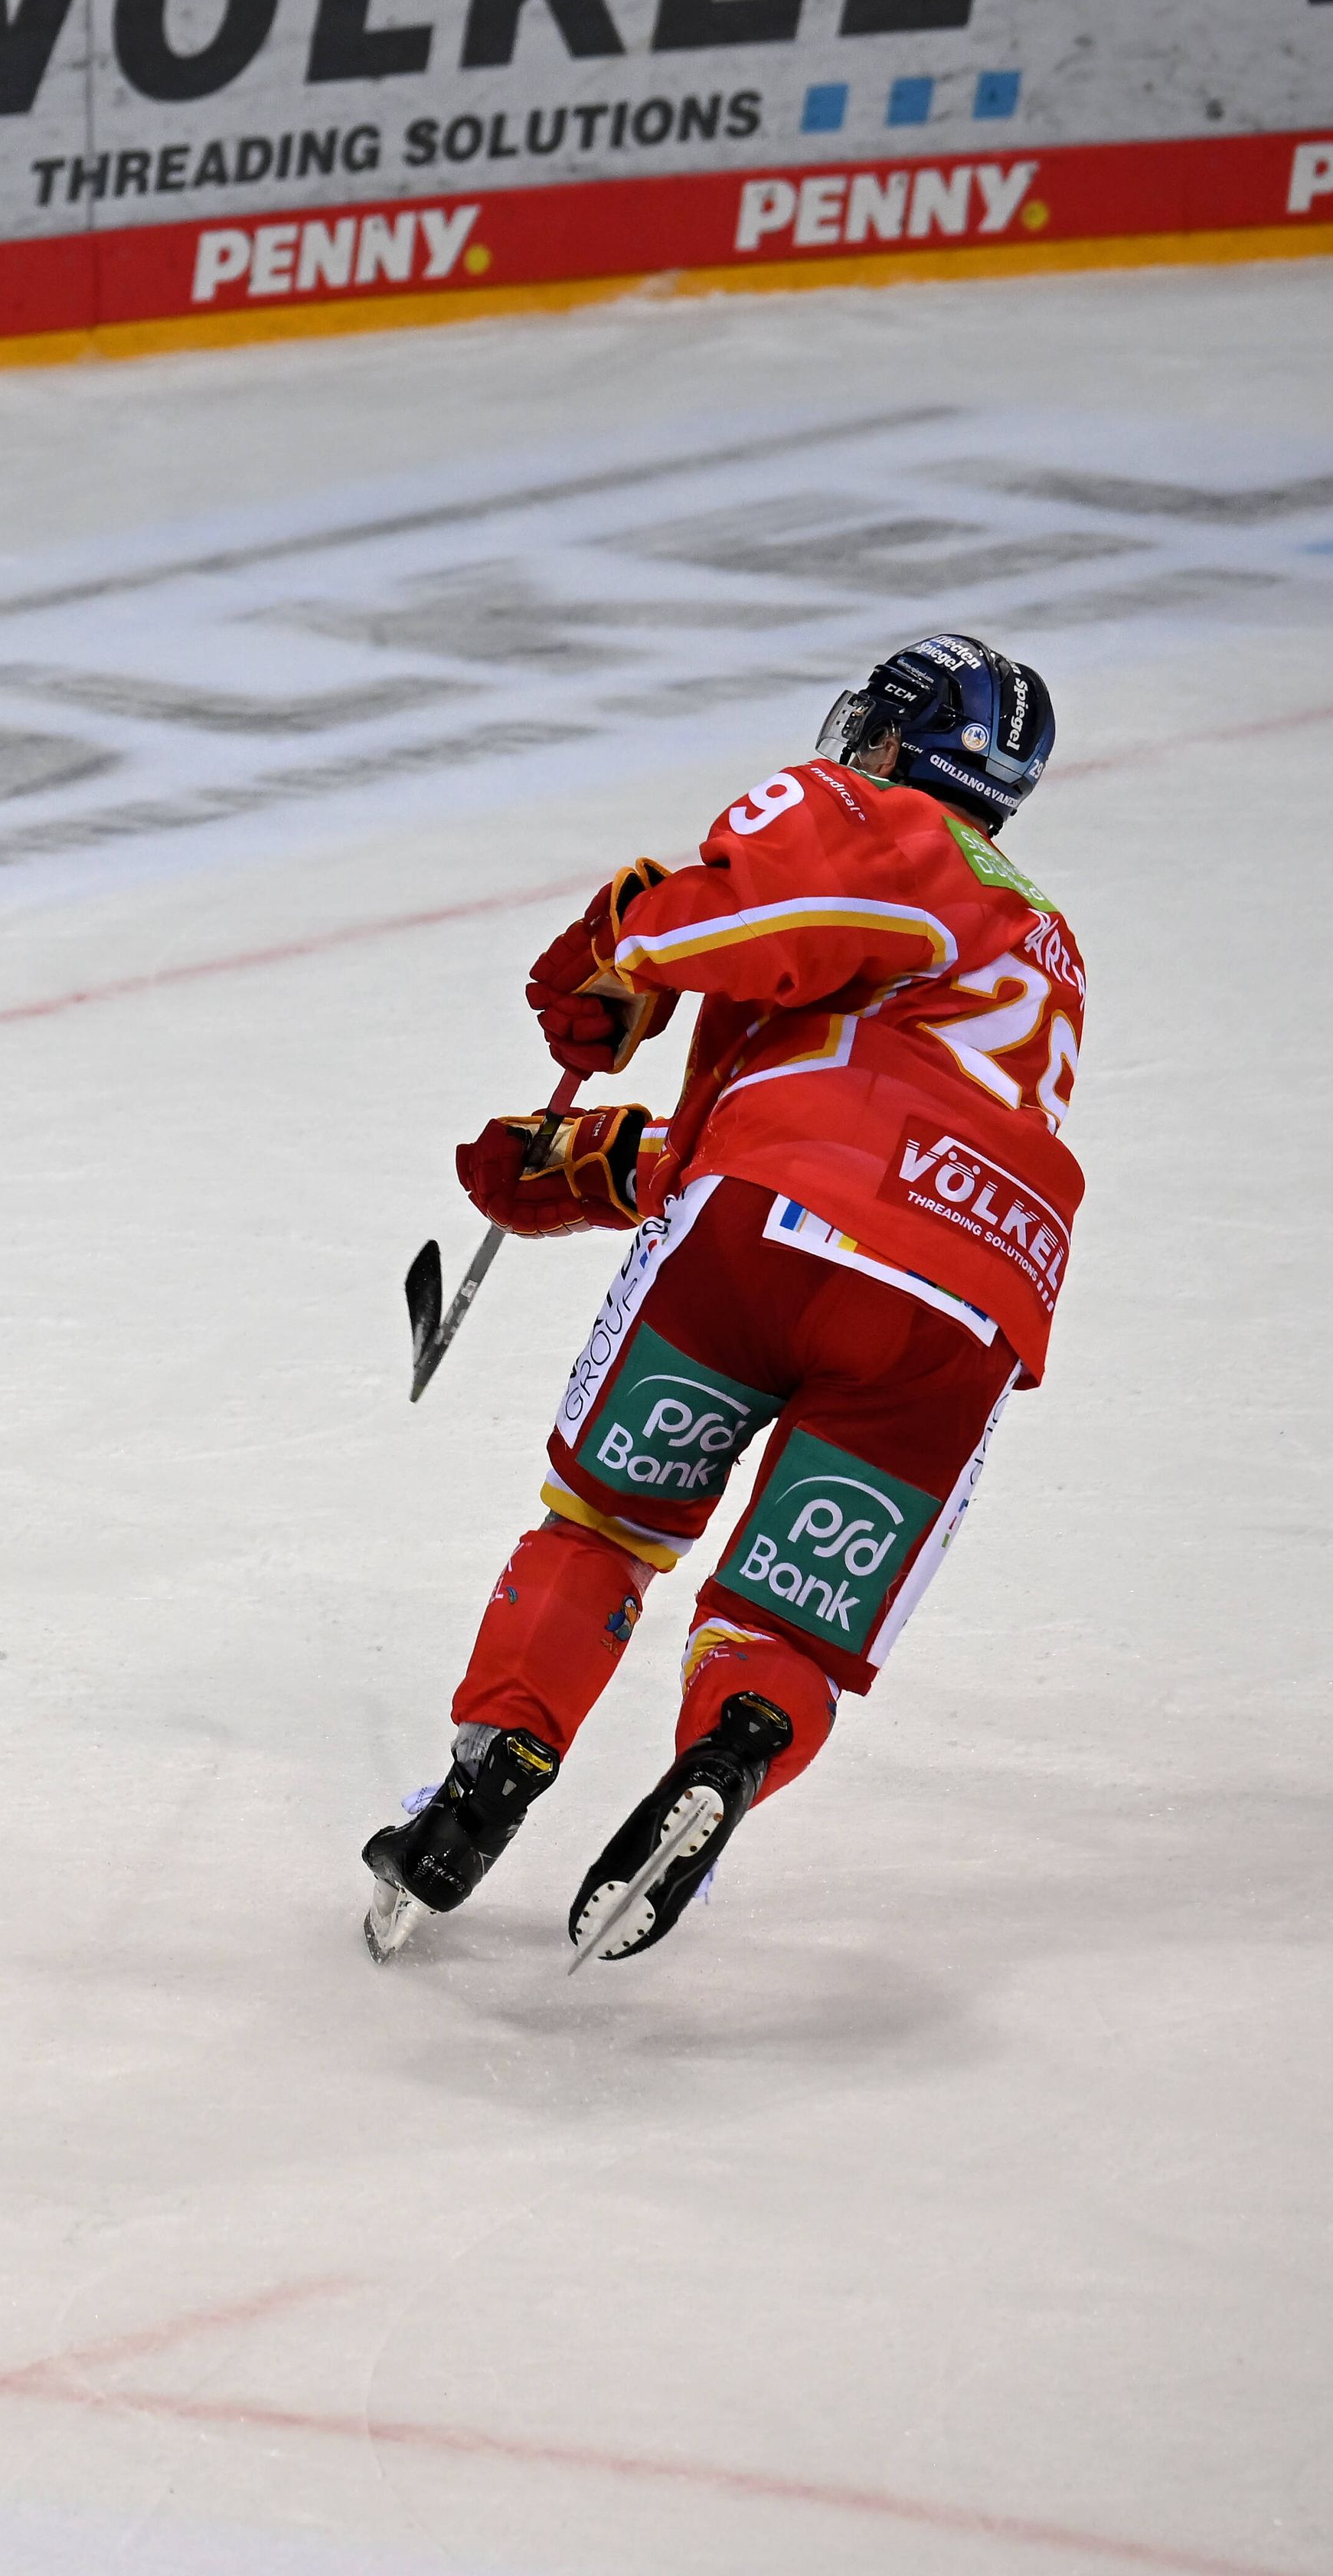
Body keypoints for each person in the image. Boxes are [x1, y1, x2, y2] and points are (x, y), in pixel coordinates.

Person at [366, 632, 1083, 1964]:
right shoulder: (1046, 949)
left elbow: (746, 933)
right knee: (782, 1622)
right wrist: (593, 1164)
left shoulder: (865, 812)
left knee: (608, 1527)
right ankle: (733, 1757)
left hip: (762, 1242)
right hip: (970, 1305)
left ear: (893, 737)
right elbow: (869, 1136)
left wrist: (622, 951)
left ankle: (492, 1773)